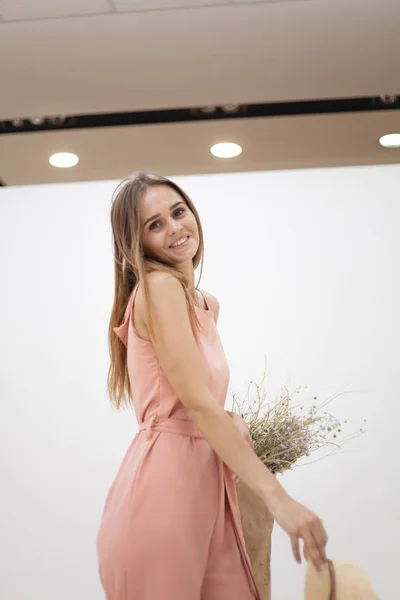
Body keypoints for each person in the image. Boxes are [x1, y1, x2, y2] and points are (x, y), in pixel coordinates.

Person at [96, 172, 329, 600]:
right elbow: (200, 407)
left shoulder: (206, 304)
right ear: (137, 242)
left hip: (209, 487)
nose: (175, 228)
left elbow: (205, 407)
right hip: (165, 492)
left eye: (178, 212)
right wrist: (280, 501)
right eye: (155, 224)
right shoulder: (159, 288)